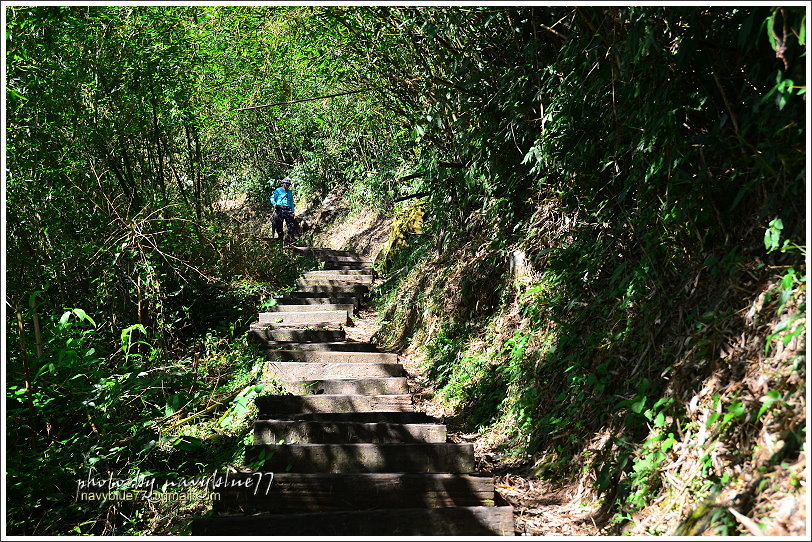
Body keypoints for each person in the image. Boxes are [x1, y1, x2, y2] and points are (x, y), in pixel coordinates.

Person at [270, 177, 296, 241]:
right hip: (280, 209)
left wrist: (293, 211)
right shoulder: (278, 190)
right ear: (283, 184)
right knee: (279, 225)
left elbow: (291, 202)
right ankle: (280, 238)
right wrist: (274, 203)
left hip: (288, 209)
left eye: (289, 185)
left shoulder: (290, 192)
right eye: (286, 184)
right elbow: (272, 198)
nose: (288, 186)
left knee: (291, 225)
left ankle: (291, 239)